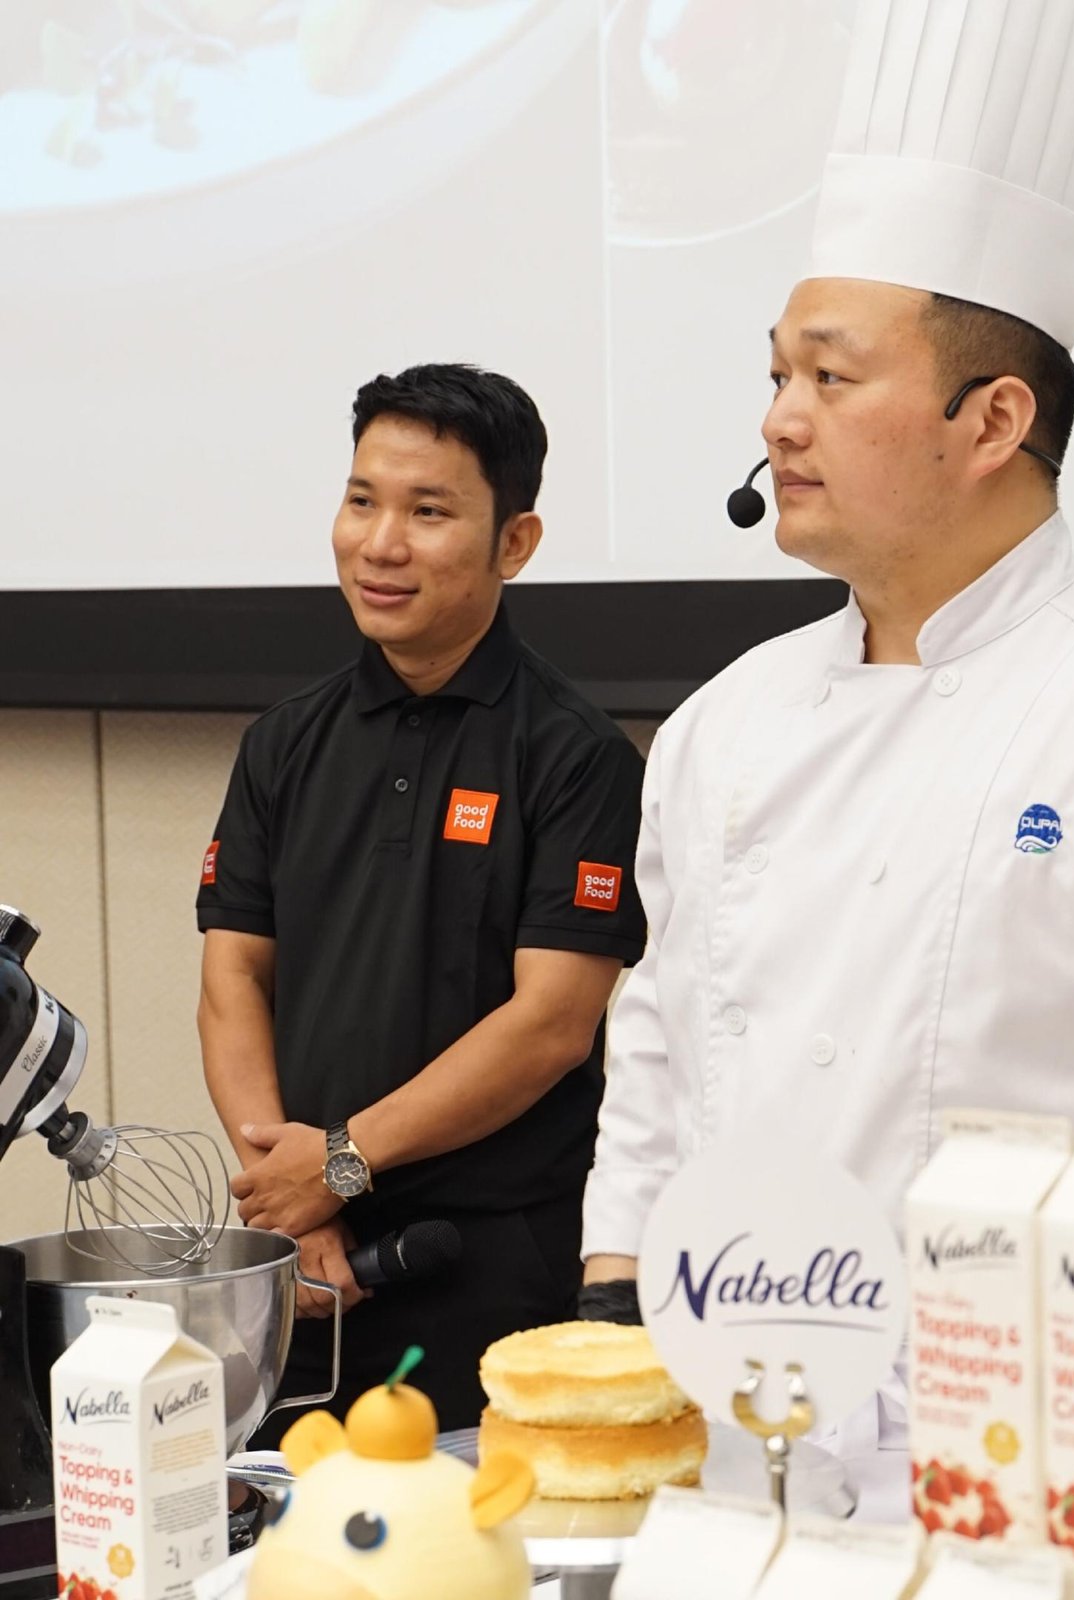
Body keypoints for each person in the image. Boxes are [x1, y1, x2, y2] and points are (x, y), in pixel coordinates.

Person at [578, 0, 1074, 1427]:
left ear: (994, 423)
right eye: (777, 373)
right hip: (732, 1445)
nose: (778, 419)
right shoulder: (721, 723)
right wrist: (612, 1314)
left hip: (1050, 1457)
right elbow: (657, 1063)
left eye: (831, 376)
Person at [196, 363, 646, 1435]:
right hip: (307, 1264)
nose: (381, 543)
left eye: (428, 512)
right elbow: (232, 978)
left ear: (514, 543)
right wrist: (286, 1196)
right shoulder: (284, 742)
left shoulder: (574, 756)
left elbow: (552, 1023)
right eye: (363, 501)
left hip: (490, 1268)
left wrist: (340, 1166)